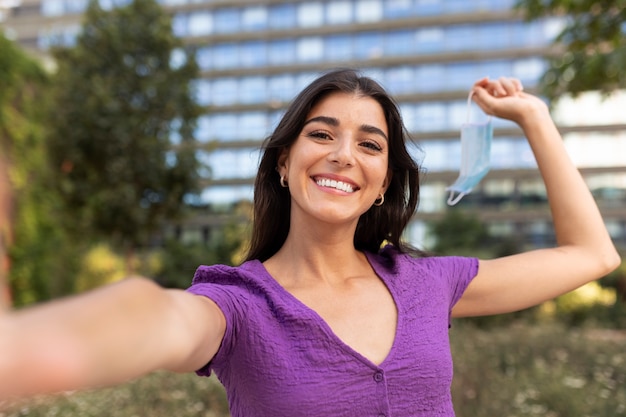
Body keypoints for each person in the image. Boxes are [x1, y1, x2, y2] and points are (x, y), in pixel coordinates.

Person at [0, 69, 620, 416]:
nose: (344, 156)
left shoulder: (427, 283)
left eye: (370, 145)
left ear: (382, 184)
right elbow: (153, 317)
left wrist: (533, 118)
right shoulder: (238, 306)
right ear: (283, 163)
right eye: (322, 134)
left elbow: (593, 254)